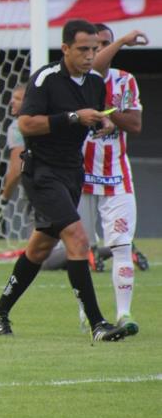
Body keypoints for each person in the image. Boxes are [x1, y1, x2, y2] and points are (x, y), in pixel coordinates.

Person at [0, 19, 128, 342]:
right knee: (77, 238)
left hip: (71, 172)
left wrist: (101, 124)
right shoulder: (45, 79)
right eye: (83, 49)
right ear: (65, 49)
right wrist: (74, 117)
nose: (90, 55)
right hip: (42, 172)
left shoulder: (93, 83)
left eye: (95, 49)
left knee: (40, 247)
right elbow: (26, 124)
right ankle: (98, 324)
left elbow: (94, 119)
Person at [74, 24, 150, 336]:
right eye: (94, 46)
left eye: (104, 44)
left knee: (120, 246)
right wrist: (120, 40)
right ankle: (87, 314)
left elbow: (134, 123)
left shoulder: (125, 80)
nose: (98, 52)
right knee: (81, 248)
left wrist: (107, 113)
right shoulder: (77, 82)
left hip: (117, 177)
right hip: (78, 178)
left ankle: (123, 314)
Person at [0, 82, 30, 238]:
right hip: (69, 183)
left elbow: (16, 169)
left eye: (17, 98)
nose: (11, 102)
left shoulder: (18, 126)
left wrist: (3, 200)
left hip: (41, 189)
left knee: (40, 247)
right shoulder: (49, 119)